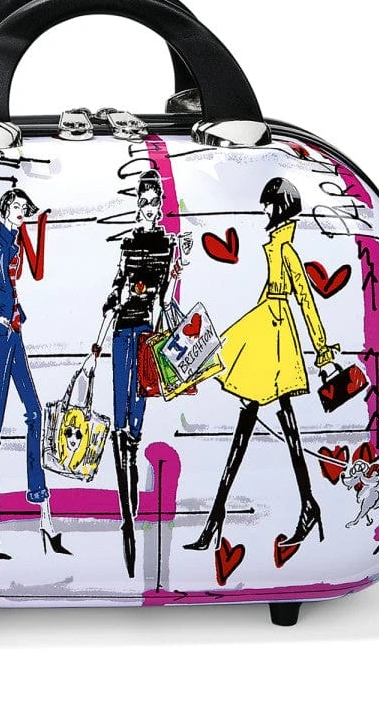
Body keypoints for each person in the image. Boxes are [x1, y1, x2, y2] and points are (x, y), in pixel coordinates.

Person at [185, 178, 337, 573]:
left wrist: (322, 351)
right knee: (274, 424)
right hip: (267, 330)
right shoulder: (278, 245)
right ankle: (302, 506)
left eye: (268, 204)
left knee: (264, 424)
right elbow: (275, 293)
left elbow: (305, 299)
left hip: (276, 336)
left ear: (279, 206)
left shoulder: (285, 249)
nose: (264, 211)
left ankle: (220, 519)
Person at [0, 187, 69, 561]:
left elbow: (15, 284)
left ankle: (43, 512)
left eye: (26, 208)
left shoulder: (15, 242)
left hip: (14, 332)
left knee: (34, 413)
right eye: (19, 208)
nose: (23, 213)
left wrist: (13, 311)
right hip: (2, 335)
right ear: (6, 209)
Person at [98, 169, 190, 577]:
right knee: (119, 421)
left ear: (160, 206)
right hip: (122, 332)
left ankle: (130, 501)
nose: (149, 210)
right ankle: (126, 515)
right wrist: (106, 321)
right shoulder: (130, 242)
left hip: (148, 337)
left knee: (135, 422)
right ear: (138, 206)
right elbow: (116, 288)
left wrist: (175, 273)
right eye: (144, 204)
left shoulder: (167, 246)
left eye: (154, 204)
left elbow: (166, 300)